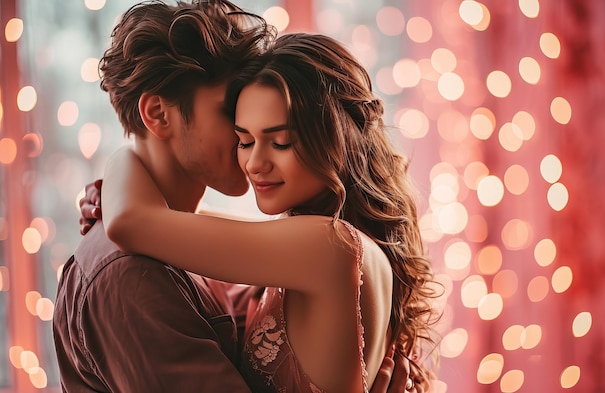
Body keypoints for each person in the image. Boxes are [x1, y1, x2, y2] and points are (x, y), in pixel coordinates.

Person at [56, 0, 413, 392]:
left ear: (328, 136)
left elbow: (139, 220)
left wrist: (121, 164)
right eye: (240, 128)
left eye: (278, 140)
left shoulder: (319, 245)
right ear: (157, 114)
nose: (252, 158)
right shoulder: (131, 276)